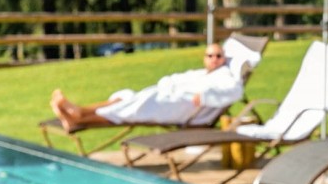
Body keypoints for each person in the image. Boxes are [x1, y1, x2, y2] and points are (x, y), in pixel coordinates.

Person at [49, 42, 243, 131]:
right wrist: (167, 85)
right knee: (125, 98)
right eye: (210, 56)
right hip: (168, 98)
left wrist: (207, 95)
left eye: (219, 56)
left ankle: (79, 115)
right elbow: (173, 78)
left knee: (137, 104)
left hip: (183, 109)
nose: (215, 59)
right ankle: (79, 116)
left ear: (224, 59)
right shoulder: (199, 74)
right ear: (204, 59)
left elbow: (236, 91)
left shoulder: (225, 76)